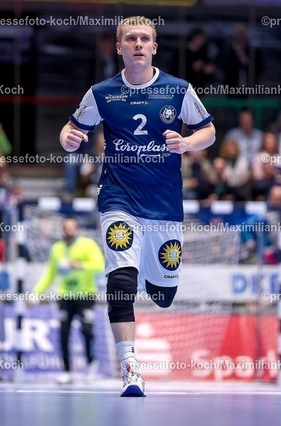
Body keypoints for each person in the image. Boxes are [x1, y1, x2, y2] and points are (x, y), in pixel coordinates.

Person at [59, 16, 215, 397]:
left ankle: (147, 267)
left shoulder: (179, 90)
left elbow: (209, 131)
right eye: (131, 39)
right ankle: (130, 369)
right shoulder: (102, 93)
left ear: (155, 47)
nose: (139, 44)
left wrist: (187, 144)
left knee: (163, 294)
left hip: (163, 204)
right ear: (119, 48)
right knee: (120, 282)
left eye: (145, 38)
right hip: (118, 196)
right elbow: (70, 128)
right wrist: (68, 139)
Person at [34, 217, 105, 385]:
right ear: (62, 230)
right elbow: (50, 274)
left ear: (77, 229)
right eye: (66, 228)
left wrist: (77, 265)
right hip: (65, 296)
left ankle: (91, 364)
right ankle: (66, 371)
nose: (69, 231)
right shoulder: (57, 249)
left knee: (87, 330)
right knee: (63, 333)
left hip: (85, 295)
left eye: (72, 228)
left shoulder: (87, 245)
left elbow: (99, 265)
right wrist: (36, 294)